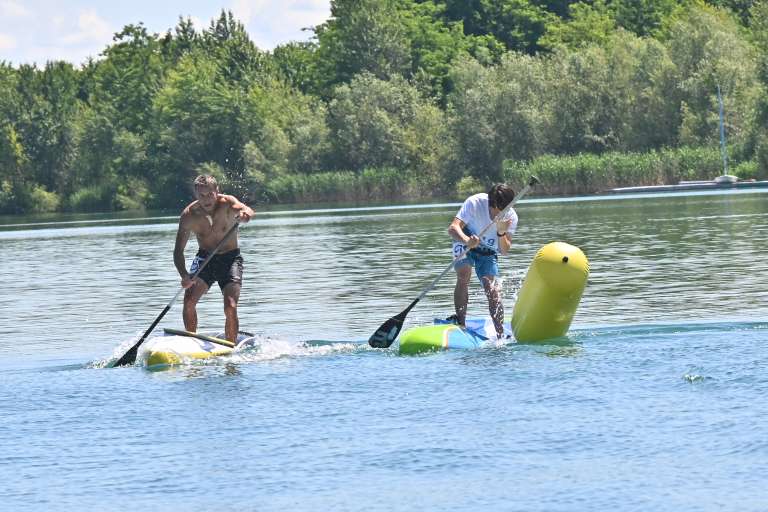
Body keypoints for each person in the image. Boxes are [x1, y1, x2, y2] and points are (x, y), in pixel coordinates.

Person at [173, 175, 254, 342]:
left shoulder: (227, 203)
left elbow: (247, 210)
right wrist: (184, 275)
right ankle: (191, 342)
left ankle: (230, 347)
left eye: (210, 194)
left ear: (217, 191)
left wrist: (245, 216)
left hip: (230, 259)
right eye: (201, 195)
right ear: (196, 194)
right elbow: (178, 251)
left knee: (230, 307)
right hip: (205, 259)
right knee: (188, 302)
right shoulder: (189, 215)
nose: (206, 199)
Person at [447, 184, 518, 339]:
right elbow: (453, 228)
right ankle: (461, 323)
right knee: (464, 274)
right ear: (489, 203)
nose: (496, 215)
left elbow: (505, 250)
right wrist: (467, 240)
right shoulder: (475, 202)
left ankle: (500, 335)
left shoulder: (511, 216)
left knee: (492, 289)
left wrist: (501, 232)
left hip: (488, 251)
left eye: (501, 210)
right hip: (465, 240)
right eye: (494, 209)